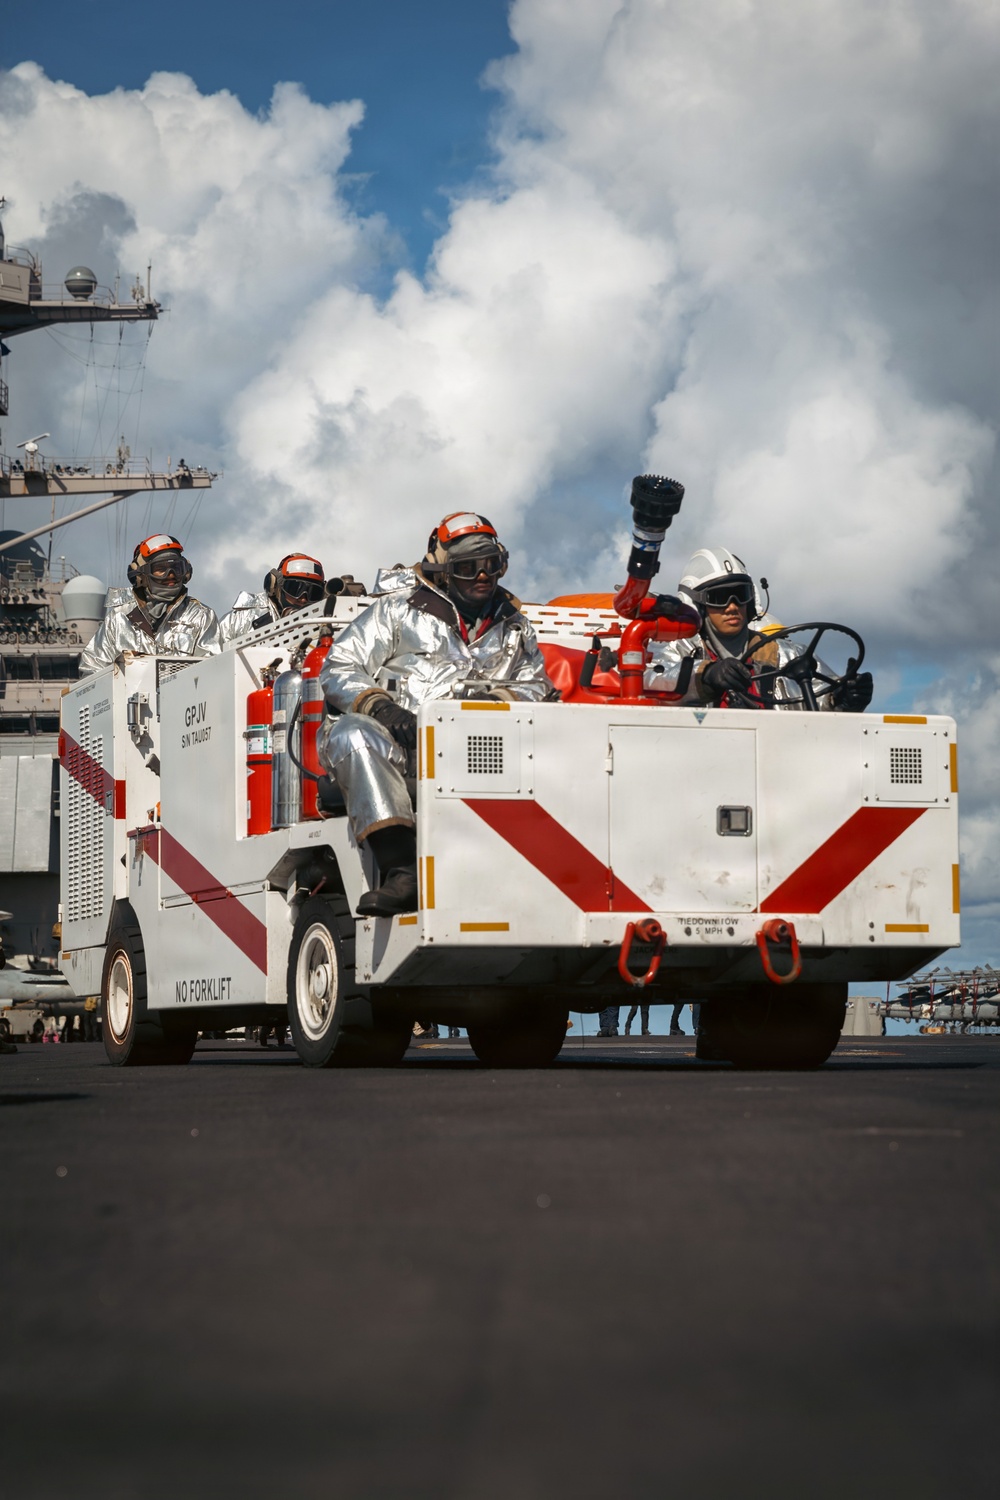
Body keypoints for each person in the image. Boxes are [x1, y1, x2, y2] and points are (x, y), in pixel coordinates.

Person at [317, 512, 554, 916]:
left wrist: (496, 702)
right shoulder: (396, 610)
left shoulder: (515, 627)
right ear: (443, 571)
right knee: (352, 734)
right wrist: (380, 707)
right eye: (468, 568)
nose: (483, 576)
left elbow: (537, 685)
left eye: (491, 565)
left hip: (482, 754)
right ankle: (402, 870)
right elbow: (339, 666)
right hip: (401, 753)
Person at [647, 547, 873, 711]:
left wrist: (841, 699)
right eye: (719, 597)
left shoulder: (789, 655)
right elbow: (651, 679)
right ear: (696, 605)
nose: (732, 606)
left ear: (751, 600)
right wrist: (705, 675)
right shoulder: (677, 649)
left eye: (740, 595)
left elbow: (820, 704)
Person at [80, 534, 219, 673]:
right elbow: (91, 670)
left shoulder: (201, 616)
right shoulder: (118, 618)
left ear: (186, 571)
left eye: (176, 568)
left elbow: (212, 670)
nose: (170, 575)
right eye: (161, 569)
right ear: (140, 576)